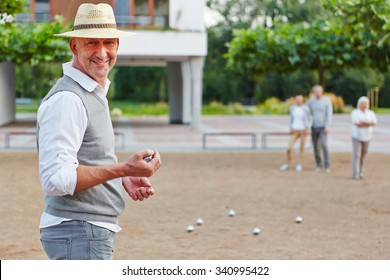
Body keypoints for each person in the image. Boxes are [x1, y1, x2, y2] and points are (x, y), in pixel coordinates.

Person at [37, 3, 162, 260]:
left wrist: (118, 179)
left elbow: (86, 160)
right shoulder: (69, 99)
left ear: (117, 45)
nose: (102, 52)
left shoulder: (91, 92)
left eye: (109, 43)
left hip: (84, 232)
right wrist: (124, 169)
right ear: (74, 46)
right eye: (92, 42)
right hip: (79, 232)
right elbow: (56, 180)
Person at [280, 95, 312, 171]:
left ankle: (299, 164)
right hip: (294, 130)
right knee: (289, 148)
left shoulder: (305, 108)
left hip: (303, 131)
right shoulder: (292, 108)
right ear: (295, 100)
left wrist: (308, 128)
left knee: (301, 148)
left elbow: (310, 118)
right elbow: (291, 118)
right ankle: (288, 164)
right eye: (297, 100)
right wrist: (290, 128)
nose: (299, 101)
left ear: (302, 100)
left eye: (300, 100)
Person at [306, 85, 333, 173]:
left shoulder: (326, 100)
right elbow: (304, 109)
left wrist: (327, 126)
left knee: (324, 145)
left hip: (323, 127)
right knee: (315, 146)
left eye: (319, 91)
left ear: (322, 92)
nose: (317, 93)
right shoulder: (311, 101)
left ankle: (327, 165)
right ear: (314, 93)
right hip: (314, 127)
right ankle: (318, 164)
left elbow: (329, 114)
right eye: (316, 92)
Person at [351, 96, 377, 180]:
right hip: (356, 136)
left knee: (363, 155)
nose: (364, 104)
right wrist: (368, 123)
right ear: (359, 104)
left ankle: (361, 171)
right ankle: (355, 173)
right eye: (362, 103)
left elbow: (374, 123)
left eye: (366, 103)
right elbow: (357, 123)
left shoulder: (370, 113)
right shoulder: (355, 112)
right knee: (356, 155)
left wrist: (364, 123)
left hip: (367, 136)